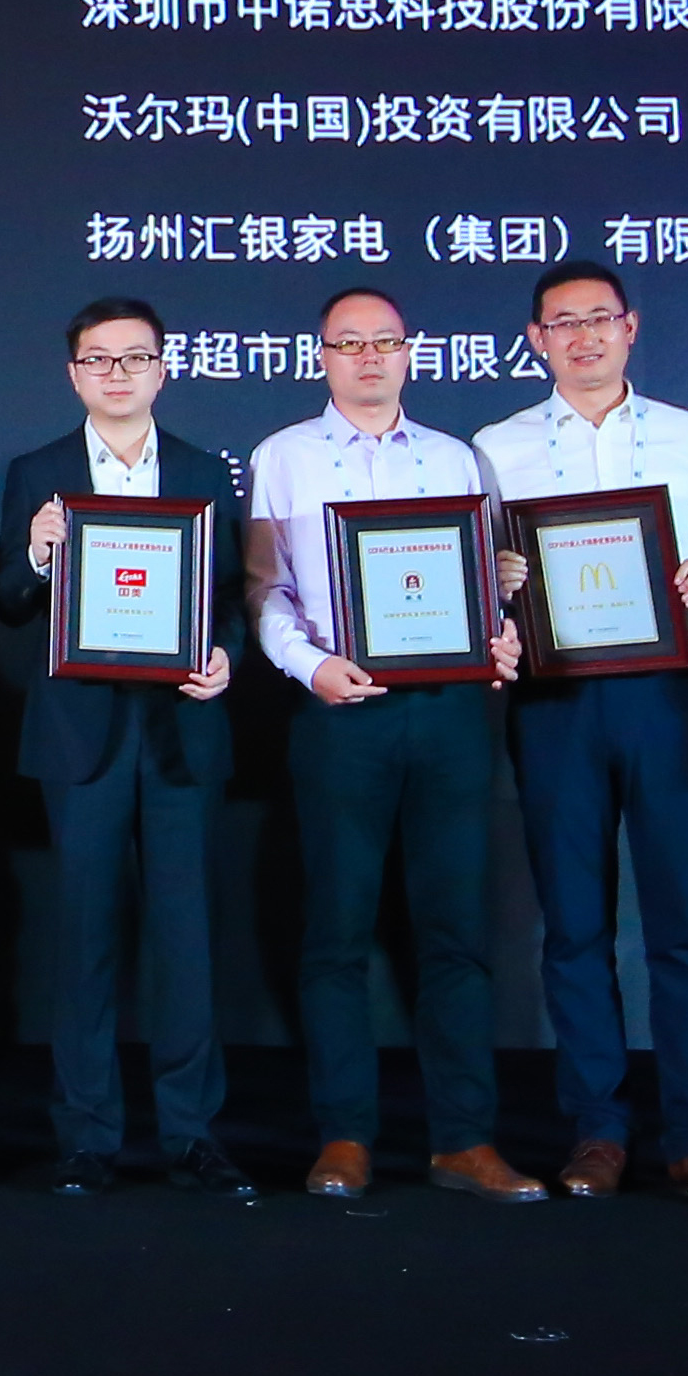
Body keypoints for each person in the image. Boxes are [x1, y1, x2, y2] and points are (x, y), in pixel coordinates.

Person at [472, 262, 688, 1212]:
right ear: (536, 340)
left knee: (686, 926)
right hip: (556, 701)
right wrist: (498, 578)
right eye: (563, 323)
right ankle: (597, 1130)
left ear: (631, 327)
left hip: (669, 694)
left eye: (599, 318)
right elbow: (476, 571)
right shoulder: (495, 447)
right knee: (574, 926)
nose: (584, 336)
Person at [246, 288, 544, 1204]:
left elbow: (486, 584)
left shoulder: (456, 458)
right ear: (322, 356)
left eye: (385, 341)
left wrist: (499, 638)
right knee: (336, 932)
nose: (369, 356)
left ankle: (464, 1139)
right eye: (350, 343)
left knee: (455, 930)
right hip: (340, 710)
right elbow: (264, 588)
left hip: (449, 714)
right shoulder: (283, 457)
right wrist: (309, 666)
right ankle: (344, 1136)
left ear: (411, 352)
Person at [0, 296, 251, 1199]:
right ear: (74, 374)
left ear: (162, 370)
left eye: (135, 357)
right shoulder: (38, 473)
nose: (117, 373)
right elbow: (7, 601)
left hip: (181, 726)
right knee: (84, 938)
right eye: (98, 359)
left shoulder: (203, 470)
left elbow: (231, 598)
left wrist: (226, 656)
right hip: (81, 734)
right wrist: (34, 552)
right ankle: (87, 1134)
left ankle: (192, 1133)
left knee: (185, 938)